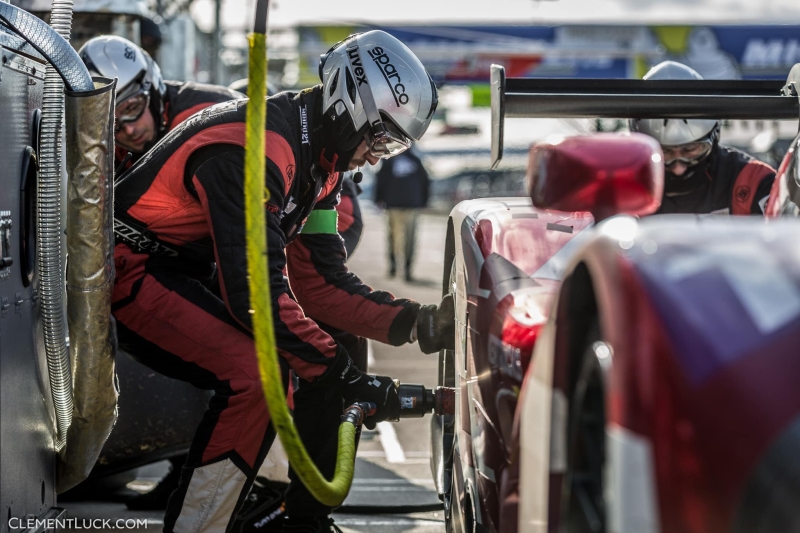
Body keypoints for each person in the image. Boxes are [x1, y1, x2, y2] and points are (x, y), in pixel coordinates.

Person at [110, 29, 452, 533]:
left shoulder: (323, 164)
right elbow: (257, 297)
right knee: (254, 374)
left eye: (396, 143)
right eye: (382, 137)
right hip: (131, 265)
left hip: (183, 268)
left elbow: (320, 284)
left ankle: (303, 521)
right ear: (349, 108)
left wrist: (420, 324)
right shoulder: (260, 149)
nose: (381, 155)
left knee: (339, 347)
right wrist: (341, 377)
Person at [630, 61, 776, 215]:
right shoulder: (620, 183)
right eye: (665, 153)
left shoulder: (753, 180)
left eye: (690, 150)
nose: (679, 169)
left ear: (713, 139)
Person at [79, 35, 243, 170]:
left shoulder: (210, 115)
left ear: (153, 91)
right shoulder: (108, 150)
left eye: (131, 108)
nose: (129, 129)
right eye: (112, 124)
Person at [373, 147, 430, 280]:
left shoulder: (390, 161)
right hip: (410, 205)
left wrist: (378, 200)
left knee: (394, 237)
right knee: (408, 238)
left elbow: (380, 181)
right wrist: (425, 202)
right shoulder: (416, 160)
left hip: (395, 205)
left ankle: (395, 266)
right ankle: (406, 269)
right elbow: (425, 182)